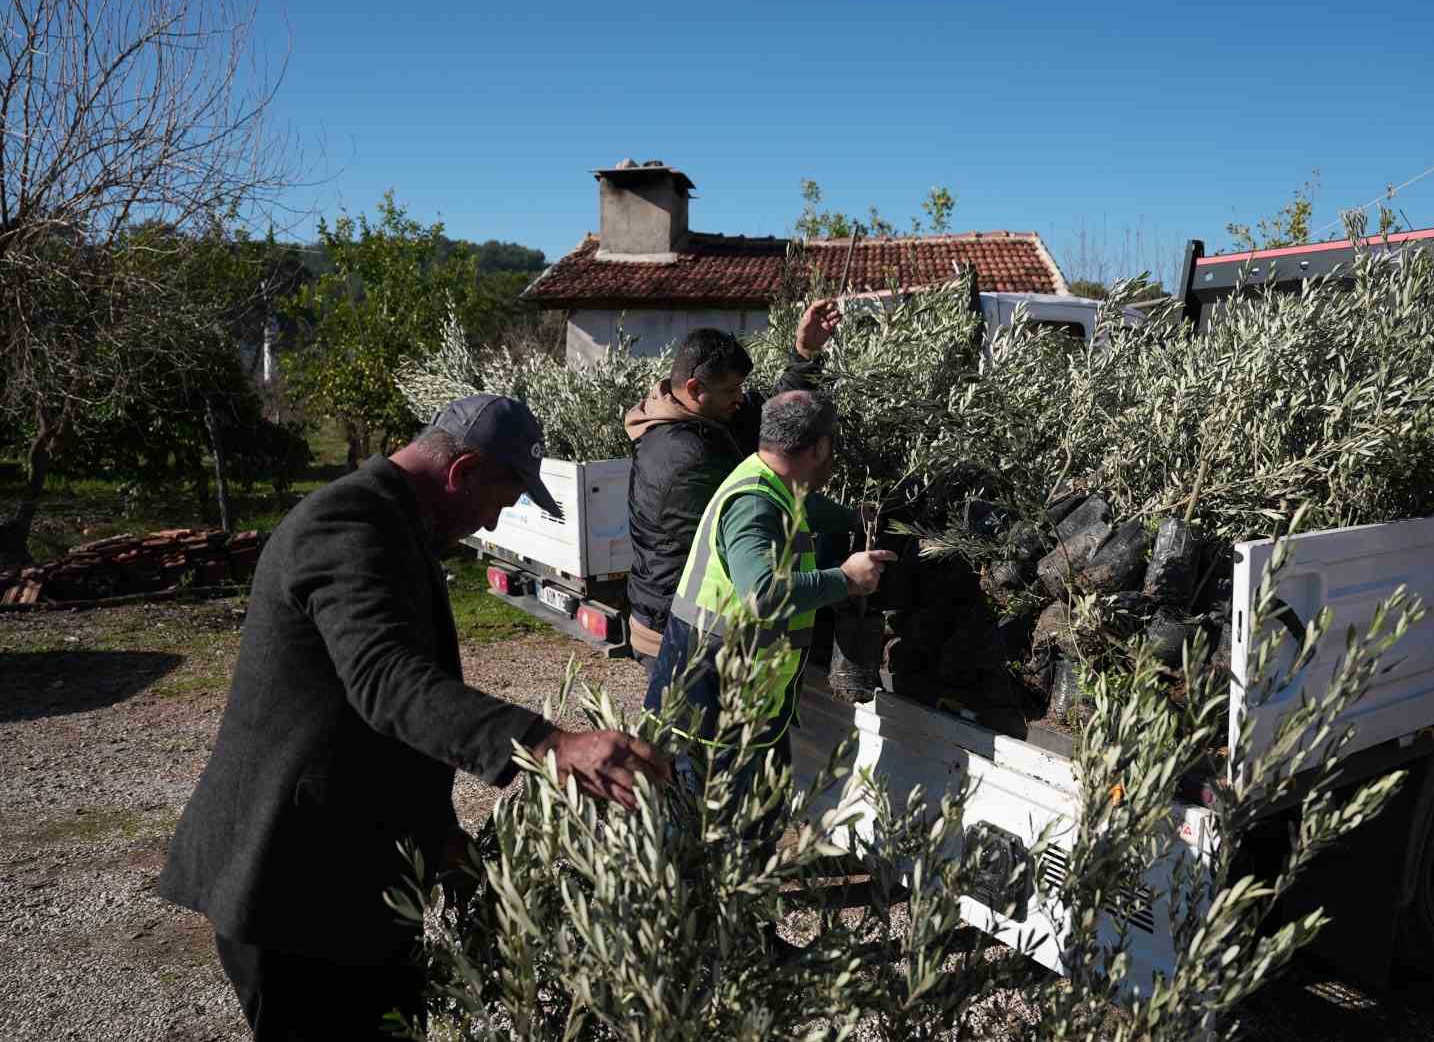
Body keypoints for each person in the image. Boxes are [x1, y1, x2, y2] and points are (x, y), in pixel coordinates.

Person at [158, 394, 671, 1041]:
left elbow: (374, 722)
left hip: (349, 877)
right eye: (502, 500)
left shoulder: (390, 521)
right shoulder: (346, 523)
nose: (492, 521)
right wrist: (549, 744)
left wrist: (437, 833)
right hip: (295, 888)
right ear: (462, 473)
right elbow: (385, 681)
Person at [643, 390, 895, 797]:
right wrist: (845, 578)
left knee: (758, 829)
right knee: (714, 840)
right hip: (713, 716)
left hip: (744, 706)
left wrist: (854, 517)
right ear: (820, 448)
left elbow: (805, 509)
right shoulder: (755, 504)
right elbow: (760, 596)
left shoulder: (770, 480)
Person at [624, 300, 842, 675]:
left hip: (691, 623)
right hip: (680, 631)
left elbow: (774, 420)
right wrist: (845, 541)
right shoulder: (685, 457)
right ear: (694, 387)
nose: (740, 398)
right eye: (732, 390)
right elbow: (764, 502)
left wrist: (805, 352)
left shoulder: (706, 415)